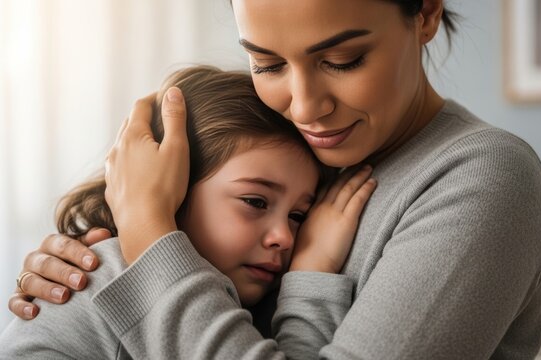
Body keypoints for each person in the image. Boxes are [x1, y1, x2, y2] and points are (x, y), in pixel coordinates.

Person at [8, 0, 541, 358]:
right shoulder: (299, 150)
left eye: (343, 59)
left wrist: (148, 233)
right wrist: (92, 269)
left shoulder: (483, 178)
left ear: (426, 14)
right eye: (267, 65)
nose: (305, 106)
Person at [0, 65, 376, 358]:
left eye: (298, 216)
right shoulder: (105, 274)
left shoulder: (240, 293)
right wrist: (312, 278)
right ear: (172, 192)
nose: (285, 237)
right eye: (256, 202)